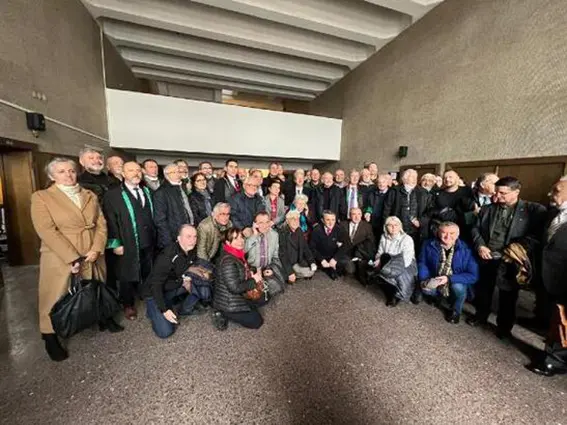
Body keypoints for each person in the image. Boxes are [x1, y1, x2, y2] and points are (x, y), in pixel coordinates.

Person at [31, 158, 121, 362]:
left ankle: (102, 316)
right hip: (60, 254)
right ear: (52, 176)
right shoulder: (42, 197)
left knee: (95, 286)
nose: (68, 175)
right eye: (61, 171)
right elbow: (46, 230)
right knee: (54, 295)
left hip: (91, 250)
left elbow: (101, 224)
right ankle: (49, 336)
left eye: (71, 171)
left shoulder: (89, 194)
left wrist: (97, 248)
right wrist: (72, 257)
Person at [467, 177, 546, 339]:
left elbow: (535, 236)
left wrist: (512, 250)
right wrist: (480, 245)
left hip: (510, 258)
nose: (497, 196)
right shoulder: (487, 209)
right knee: (484, 289)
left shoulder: (532, 210)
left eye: (503, 193)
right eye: (496, 192)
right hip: (487, 255)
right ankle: (480, 316)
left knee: (508, 294)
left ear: (516, 192)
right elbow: (475, 229)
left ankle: (504, 327)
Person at [103, 161, 156, 320]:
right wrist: (116, 243)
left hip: (148, 239)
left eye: (138, 170)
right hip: (127, 240)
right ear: (123, 174)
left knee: (147, 269)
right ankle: (128, 304)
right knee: (126, 273)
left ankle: (145, 294)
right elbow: (110, 221)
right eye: (131, 170)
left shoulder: (147, 191)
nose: (136, 173)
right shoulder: (113, 195)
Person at [527, 178, 567, 376]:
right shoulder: (552, 213)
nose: (550, 194)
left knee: (564, 319)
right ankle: (540, 321)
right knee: (552, 312)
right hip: (549, 270)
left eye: (556, 190)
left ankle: (556, 360)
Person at [144, 225, 211, 339]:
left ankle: (185, 309)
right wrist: (164, 310)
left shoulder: (191, 249)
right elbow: (155, 285)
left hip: (173, 284)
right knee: (165, 332)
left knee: (202, 281)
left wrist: (199, 274)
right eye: (188, 236)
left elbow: (190, 265)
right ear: (179, 238)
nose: (193, 240)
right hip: (154, 292)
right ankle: (154, 309)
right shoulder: (167, 256)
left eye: (195, 236)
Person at [418, 222, 479, 324]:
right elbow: (422, 263)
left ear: (458, 235)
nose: (447, 236)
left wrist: (449, 279)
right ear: (438, 233)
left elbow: (473, 275)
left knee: (457, 287)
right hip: (435, 277)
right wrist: (425, 279)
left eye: (452, 233)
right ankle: (437, 297)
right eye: (444, 232)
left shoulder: (466, 250)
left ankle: (456, 311)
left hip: (455, 280)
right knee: (426, 289)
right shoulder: (428, 244)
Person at [212, 228, 266, 330]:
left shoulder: (236, 253)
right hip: (228, 301)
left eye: (241, 237)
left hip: (239, 293)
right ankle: (222, 312)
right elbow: (234, 288)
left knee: (264, 298)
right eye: (235, 239)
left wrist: (252, 271)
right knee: (257, 322)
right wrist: (254, 280)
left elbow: (243, 270)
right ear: (228, 242)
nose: (240, 241)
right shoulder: (227, 262)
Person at [382, 169, 431, 253]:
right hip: (398, 229)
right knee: (398, 252)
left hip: (416, 231)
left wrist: (421, 221)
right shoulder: (394, 191)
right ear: (404, 179)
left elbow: (429, 211)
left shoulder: (423, 192)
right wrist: (387, 225)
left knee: (414, 252)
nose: (415, 179)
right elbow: (387, 209)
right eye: (411, 177)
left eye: (415, 177)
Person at [373, 216, 416, 306]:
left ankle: (397, 295)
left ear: (400, 226)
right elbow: (380, 252)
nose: (393, 227)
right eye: (390, 225)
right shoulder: (383, 237)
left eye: (396, 225)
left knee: (400, 278)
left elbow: (407, 259)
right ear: (386, 227)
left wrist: (394, 270)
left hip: (404, 263)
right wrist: (378, 260)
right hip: (389, 261)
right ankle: (391, 291)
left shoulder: (407, 239)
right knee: (381, 269)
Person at [154, 163, 196, 250]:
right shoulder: (161, 192)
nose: (178, 174)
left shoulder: (182, 187)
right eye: (174, 172)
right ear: (167, 175)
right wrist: (168, 241)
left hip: (188, 230)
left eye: (178, 171)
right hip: (175, 235)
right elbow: (160, 220)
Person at [245, 211, 286, 296]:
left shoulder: (274, 235)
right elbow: (243, 251)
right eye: (261, 223)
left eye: (267, 222)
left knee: (275, 288)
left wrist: (271, 269)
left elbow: (275, 257)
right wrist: (254, 236)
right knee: (255, 294)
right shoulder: (248, 234)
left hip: (266, 268)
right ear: (255, 224)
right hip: (252, 269)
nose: (265, 225)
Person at [429, 169, 474, 236]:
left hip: (464, 230)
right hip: (444, 230)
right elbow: (432, 210)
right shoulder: (438, 193)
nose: (447, 179)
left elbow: (472, 209)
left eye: (450, 177)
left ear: (457, 178)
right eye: (445, 178)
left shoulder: (467, 191)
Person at [309, 210, 351, 280]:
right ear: (322, 220)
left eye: (333, 220)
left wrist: (335, 259)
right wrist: (321, 260)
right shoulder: (316, 230)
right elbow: (312, 247)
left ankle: (331, 267)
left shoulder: (340, 229)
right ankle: (327, 267)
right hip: (321, 256)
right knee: (307, 263)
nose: (331, 223)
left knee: (348, 265)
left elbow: (347, 244)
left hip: (333, 255)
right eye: (328, 220)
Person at [279, 210, 317, 283]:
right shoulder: (282, 233)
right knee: (307, 272)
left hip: (298, 260)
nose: (296, 221)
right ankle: (289, 275)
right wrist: (290, 272)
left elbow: (306, 248)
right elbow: (283, 255)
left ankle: (293, 275)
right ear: (287, 221)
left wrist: (311, 262)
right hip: (288, 262)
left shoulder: (299, 230)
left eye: (297, 219)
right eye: (293, 219)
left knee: (311, 270)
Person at [342, 207, 375, 285]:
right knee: (350, 270)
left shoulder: (367, 226)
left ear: (361, 215)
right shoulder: (342, 224)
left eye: (359, 214)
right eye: (354, 214)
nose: (357, 217)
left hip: (360, 253)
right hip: (346, 253)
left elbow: (371, 243)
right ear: (350, 215)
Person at [364, 174, 390, 241]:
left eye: (383, 182)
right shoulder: (372, 193)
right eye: (379, 182)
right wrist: (368, 212)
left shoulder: (391, 193)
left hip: (387, 222)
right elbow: (369, 205)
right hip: (374, 222)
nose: (381, 184)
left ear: (387, 183)